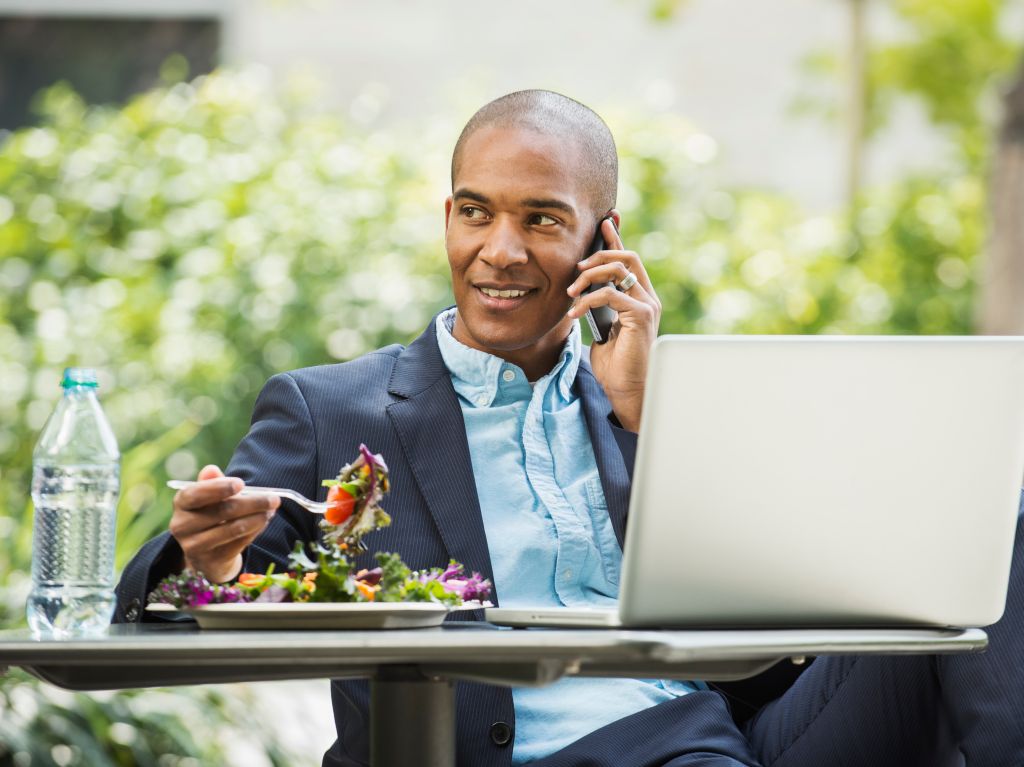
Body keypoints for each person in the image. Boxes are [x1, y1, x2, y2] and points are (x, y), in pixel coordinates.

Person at [114, 90, 1024, 767]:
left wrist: (644, 412)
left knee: (983, 536)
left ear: (604, 240)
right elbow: (194, 581)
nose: (499, 251)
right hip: (486, 749)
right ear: (448, 218)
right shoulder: (335, 407)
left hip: (706, 739)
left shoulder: (659, 398)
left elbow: (789, 591)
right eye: (475, 212)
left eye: (541, 219)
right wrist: (208, 556)